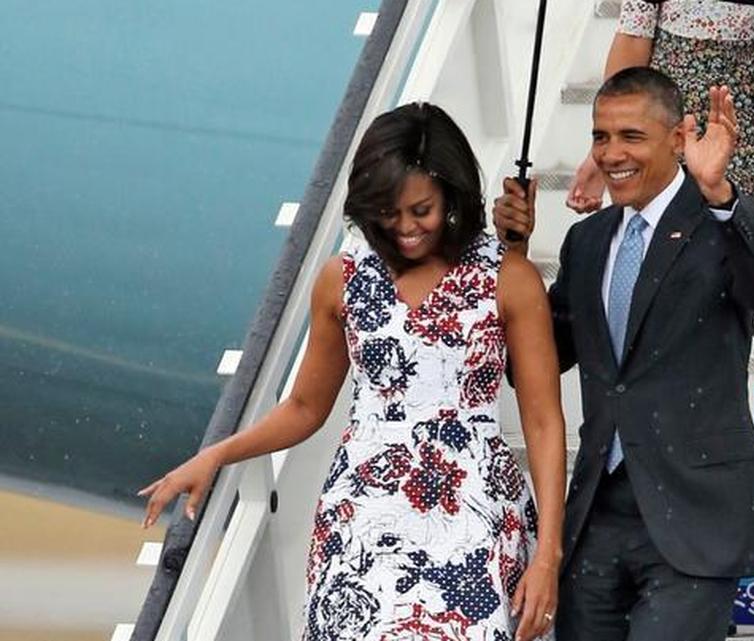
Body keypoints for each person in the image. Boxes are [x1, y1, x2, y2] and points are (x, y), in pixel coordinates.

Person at [139, 103, 567, 641]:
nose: (406, 228)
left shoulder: (510, 278)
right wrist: (217, 453)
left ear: (453, 196)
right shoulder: (342, 280)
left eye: (421, 210)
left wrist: (548, 553)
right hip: (362, 515)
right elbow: (304, 407)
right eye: (389, 213)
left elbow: (546, 423)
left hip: (476, 516)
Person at [494, 67, 754, 641]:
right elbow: (533, 362)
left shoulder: (725, 220)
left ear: (679, 140)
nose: (611, 154)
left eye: (631, 136)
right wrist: (514, 259)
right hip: (596, 519)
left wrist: (721, 195)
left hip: (696, 514)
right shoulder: (587, 240)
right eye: (600, 137)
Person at [566, 0, 754, 214]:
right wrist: (600, 156)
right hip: (666, 113)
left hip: (746, 118)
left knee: (736, 227)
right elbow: (634, 35)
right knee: (661, 229)